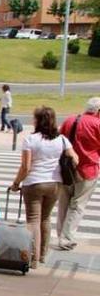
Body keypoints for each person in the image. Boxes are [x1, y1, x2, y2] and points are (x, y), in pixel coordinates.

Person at [10, 106, 78, 268]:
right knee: (45, 219)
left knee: (33, 220)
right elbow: (75, 158)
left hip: (34, 183)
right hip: (55, 184)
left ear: (38, 121)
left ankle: (33, 258)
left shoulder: (31, 140)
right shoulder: (61, 139)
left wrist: (16, 183)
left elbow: (25, 167)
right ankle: (42, 256)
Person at [57, 98, 100, 250]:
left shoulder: (70, 120)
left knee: (63, 203)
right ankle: (66, 238)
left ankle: (60, 235)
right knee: (77, 205)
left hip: (66, 169)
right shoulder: (97, 124)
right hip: (87, 170)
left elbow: (59, 141)